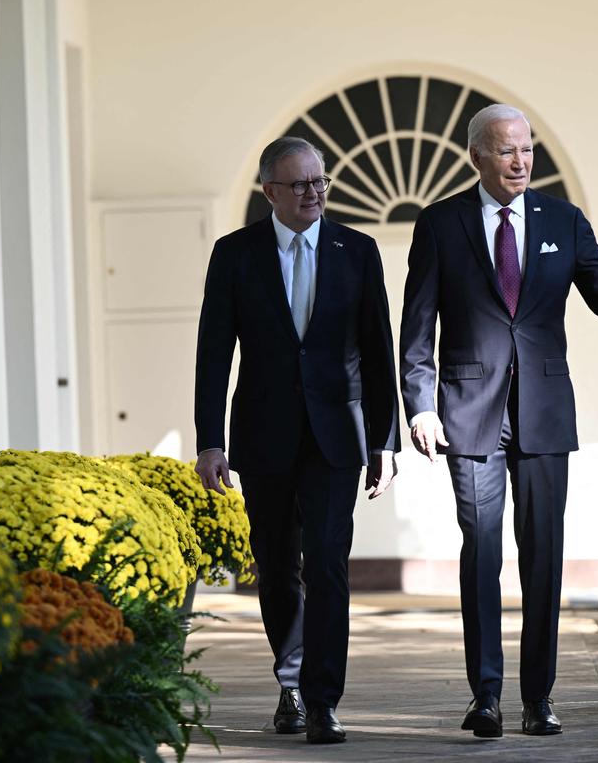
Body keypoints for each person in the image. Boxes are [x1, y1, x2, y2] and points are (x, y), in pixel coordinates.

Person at [399, 104, 598, 738]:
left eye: (526, 149)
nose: (520, 161)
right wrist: (421, 405)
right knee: (482, 551)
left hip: (544, 414)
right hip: (468, 414)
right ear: (477, 157)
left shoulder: (563, 220)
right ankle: (486, 697)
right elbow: (417, 328)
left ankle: (538, 699)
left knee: (543, 558)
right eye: (505, 150)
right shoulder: (440, 224)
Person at [194, 136, 401, 744]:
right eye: (301, 185)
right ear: (270, 193)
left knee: (330, 564)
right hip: (263, 433)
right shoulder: (234, 254)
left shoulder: (357, 250)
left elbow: (377, 350)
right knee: (279, 565)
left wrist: (383, 442)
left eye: (321, 183)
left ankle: (322, 700)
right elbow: (213, 352)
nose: (314, 194)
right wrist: (211, 440)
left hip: (338, 435)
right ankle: (289, 682)